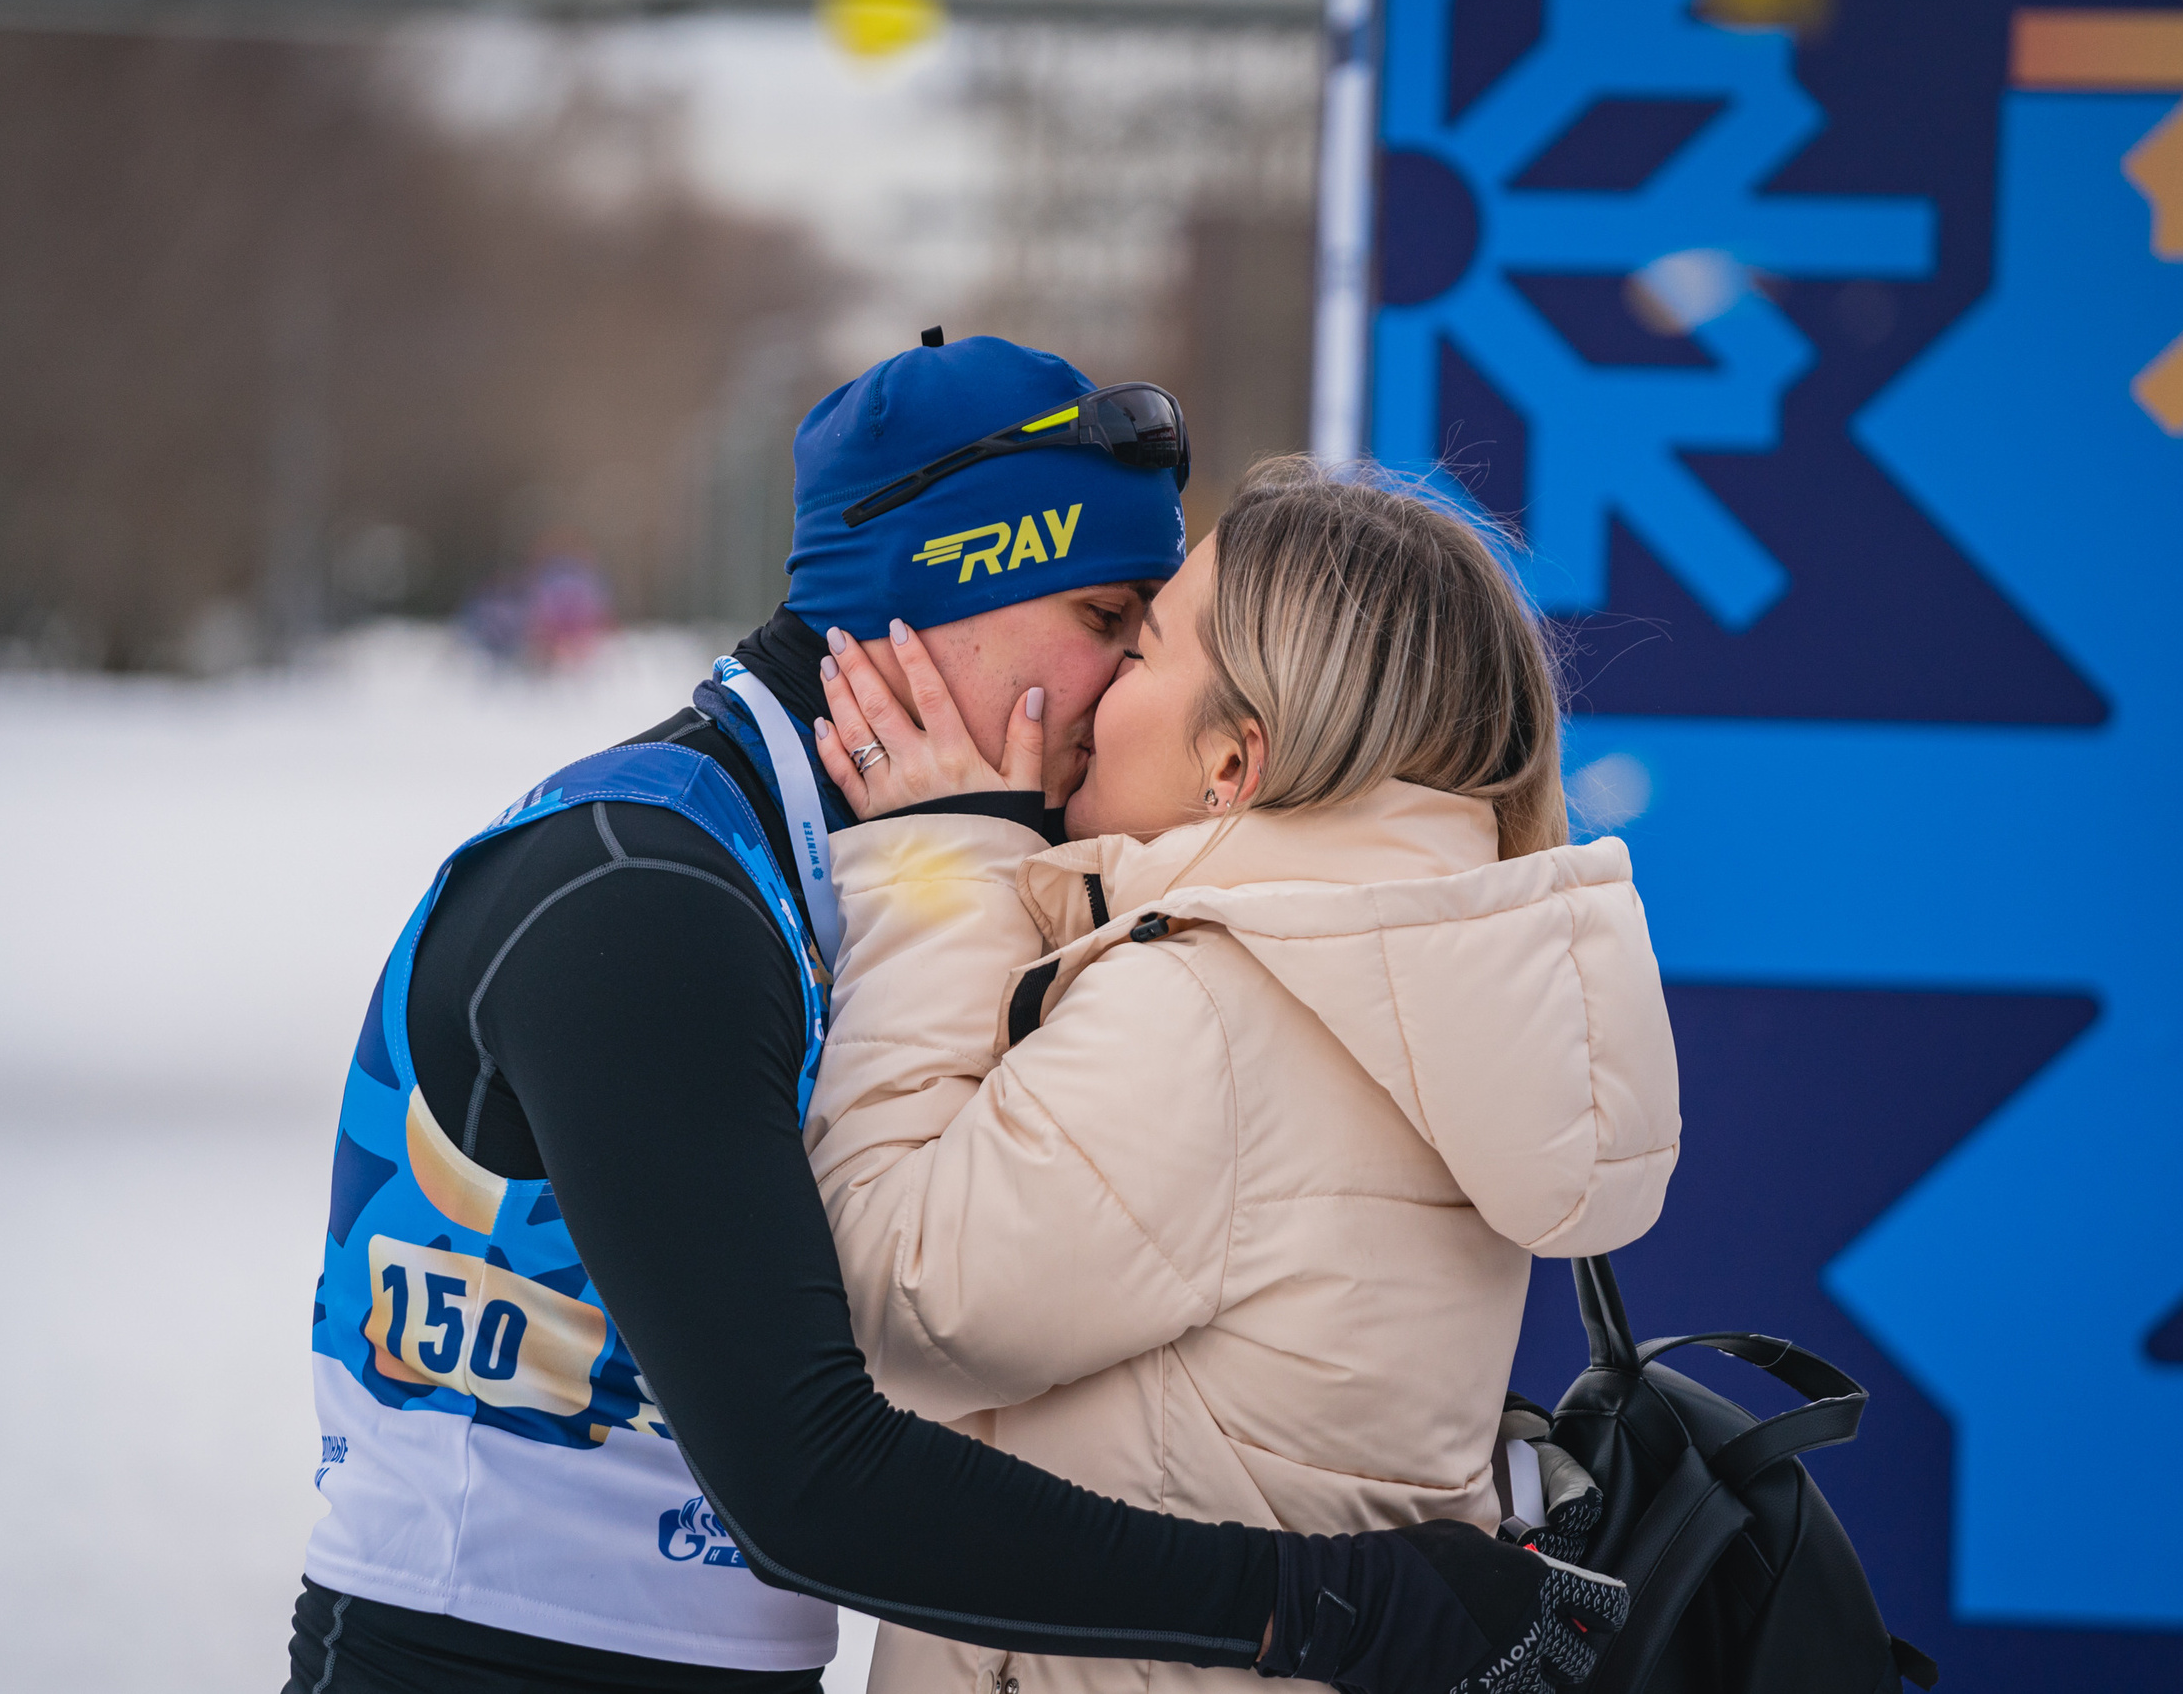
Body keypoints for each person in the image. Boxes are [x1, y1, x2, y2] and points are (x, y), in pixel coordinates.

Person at [287, 338, 1628, 1694]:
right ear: (930, 600)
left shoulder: (924, 876)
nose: (1122, 688)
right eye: (1111, 618)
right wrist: (1331, 1600)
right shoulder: (646, 889)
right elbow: (811, 1471)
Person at [805, 457, 1680, 1694]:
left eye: (1142, 648)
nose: (1100, 683)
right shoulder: (1400, 975)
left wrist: (940, 869)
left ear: (1234, 763)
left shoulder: (1219, 1008)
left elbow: (904, 1302)